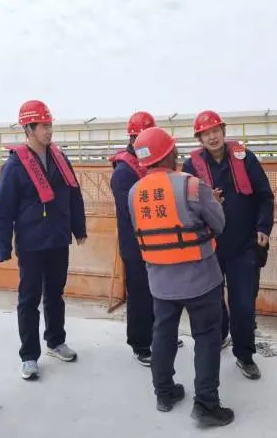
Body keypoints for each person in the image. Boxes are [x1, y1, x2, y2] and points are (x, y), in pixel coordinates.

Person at [128, 126, 234, 427]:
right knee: (206, 338)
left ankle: (164, 394)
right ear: (171, 153)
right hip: (201, 279)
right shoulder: (192, 185)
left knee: (163, 336)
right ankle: (206, 405)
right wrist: (213, 203)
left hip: (161, 282)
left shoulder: (135, 192)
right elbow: (219, 224)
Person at [0, 100, 87, 381]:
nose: (48, 131)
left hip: (58, 238)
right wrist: (3, 246)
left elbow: (73, 194)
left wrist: (79, 229)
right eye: (43, 126)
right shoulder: (15, 165)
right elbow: (4, 209)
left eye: (50, 125)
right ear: (29, 129)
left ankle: (56, 341)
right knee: (29, 299)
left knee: (56, 294)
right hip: (31, 243)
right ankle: (29, 356)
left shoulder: (60, 159)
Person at [182, 110, 274, 380]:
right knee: (211, 301)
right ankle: (220, 336)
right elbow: (186, 205)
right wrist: (207, 202)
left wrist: (263, 227)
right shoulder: (191, 166)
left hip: (244, 245)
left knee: (243, 303)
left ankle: (245, 355)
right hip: (209, 246)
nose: (212, 137)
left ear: (223, 132)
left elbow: (265, 196)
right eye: (206, 134)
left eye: (215, 131)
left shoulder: (246, 159)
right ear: (199, 139)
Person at [109, 111, 183, 366]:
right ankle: (140, 344)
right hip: (136, 245)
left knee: (161, 292)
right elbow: (130, 211)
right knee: (140, 295)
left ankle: (160, 335)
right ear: (132, 139)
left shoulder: (151, 163)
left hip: (157, 241)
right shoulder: (124, 172)